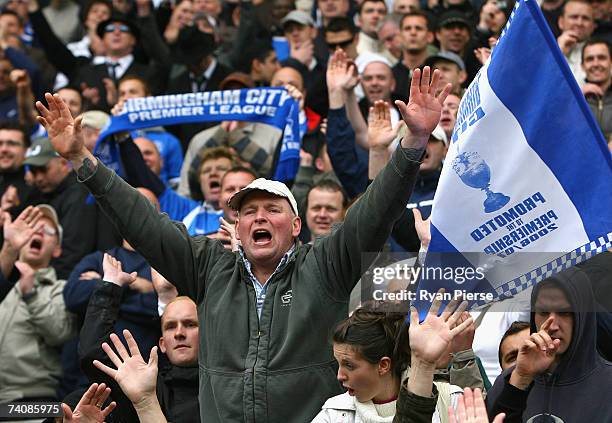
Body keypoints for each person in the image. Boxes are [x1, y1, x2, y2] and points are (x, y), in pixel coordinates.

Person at [36, 63, 452, 422]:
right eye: (248, 211)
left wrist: (412, 144)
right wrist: (81, 160)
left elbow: (374, 212)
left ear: (295, 226)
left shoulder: (324, 265)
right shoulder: (208, 268)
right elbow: (143, 221)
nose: (258, 217)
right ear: (236, 227)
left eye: (272, 210)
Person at [312, 294, 472, 422]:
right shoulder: (333, 415)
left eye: (349, 365)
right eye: (338, 363)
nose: (340, 376)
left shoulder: (450, 400)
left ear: (383, 365)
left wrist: (424, 362)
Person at [79, 253, 199, 422]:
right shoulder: (145, 384)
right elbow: (92, 354)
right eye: (170, 327)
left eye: (190, 324)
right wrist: (110, 286)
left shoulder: (229, 381)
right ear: (162, 344)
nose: (179, 333)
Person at [486, 267, 612, 422]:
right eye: (543, 312)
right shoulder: (509, 381)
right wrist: (519, 382)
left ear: (583, 317)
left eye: (565, 313)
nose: (552, 325)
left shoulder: (607, 385)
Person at [0, 205, 77, 403]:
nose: (39, 231)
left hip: (33, 400)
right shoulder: (5, 282)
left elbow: (59, 333)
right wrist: (9, 246)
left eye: (48, 230)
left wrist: (31, 295)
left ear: (57, 248)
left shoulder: (62, 289)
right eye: (34, 226)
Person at [23, 137, 96, 278]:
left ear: (63, 164)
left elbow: (73, 252)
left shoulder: (78, 195)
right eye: (33, 171)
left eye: (43, 169)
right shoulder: (43, 192)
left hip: (64, 280)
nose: (38, 178)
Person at [557, 0, 596, 87]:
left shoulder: (603, 54)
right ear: (561, 22)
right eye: (574, 17)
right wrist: (557, 52)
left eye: (585, 18)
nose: (579, 23)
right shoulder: (545, 50)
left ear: (593, 26)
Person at [581, 39, 612, 139]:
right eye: (590, 59)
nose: (596, 64)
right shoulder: (573, 97)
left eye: (601, 58)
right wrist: (576, 98)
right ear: (582, 66)